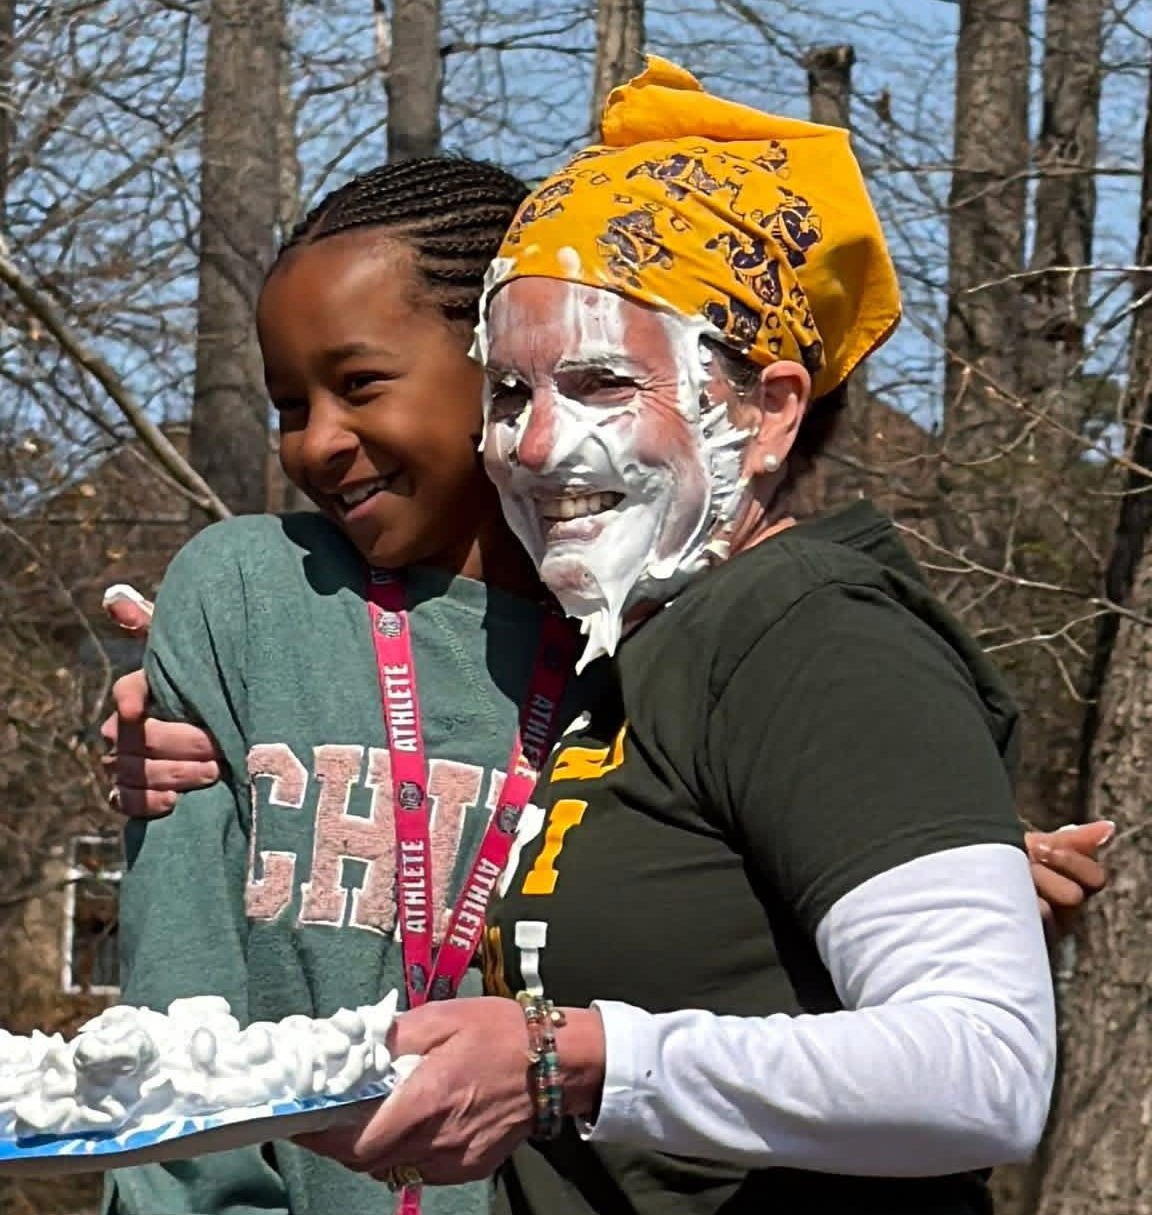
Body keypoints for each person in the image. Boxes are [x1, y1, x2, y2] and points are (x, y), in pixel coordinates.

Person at [100, 129, 1110, 1211]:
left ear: (768, 411)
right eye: (516, 396)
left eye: (596, 384)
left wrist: (920, 878)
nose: (539, 442)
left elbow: (975, 1063)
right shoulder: (626, 636)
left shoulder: (789, 628)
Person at [100, 156, 601, 1215]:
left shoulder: (631, 643)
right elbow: (176, 1013)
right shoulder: (245, 597)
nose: (318, 442)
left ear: (501, 365)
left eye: (360, 384)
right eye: (290, 402)